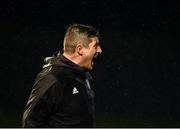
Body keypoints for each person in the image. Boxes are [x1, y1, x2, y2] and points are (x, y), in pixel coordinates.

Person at [22, 23, 102, 127]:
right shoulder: (52, 78)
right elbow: (31, 123)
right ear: (80, 49)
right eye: (95, 46)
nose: (100, 50)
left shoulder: (84, 76)